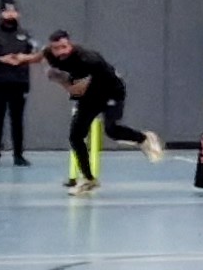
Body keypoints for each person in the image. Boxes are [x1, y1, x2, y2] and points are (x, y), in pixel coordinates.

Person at [40, 30, 163, 193]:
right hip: (89, 96)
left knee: (112, 130)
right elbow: (38, 57)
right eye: (57, 48)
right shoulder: (50, 54)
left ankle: (144, 138)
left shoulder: (88, 60)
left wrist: (59, 79)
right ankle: (89, 180)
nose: (61, 51)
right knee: (76, 136)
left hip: (111, 91)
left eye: (64, 47)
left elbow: (76, 89)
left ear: (70, 44)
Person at [0, 0, 39, 165]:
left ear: (18, 13)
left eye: (13, 11)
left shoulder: (26, 34)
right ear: (1, 13)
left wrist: (22, 58)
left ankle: (19, 155)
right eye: (7, 11)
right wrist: (1, 59)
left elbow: (37, 54)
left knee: (17, 120)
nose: (10, 14)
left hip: (19, 83)